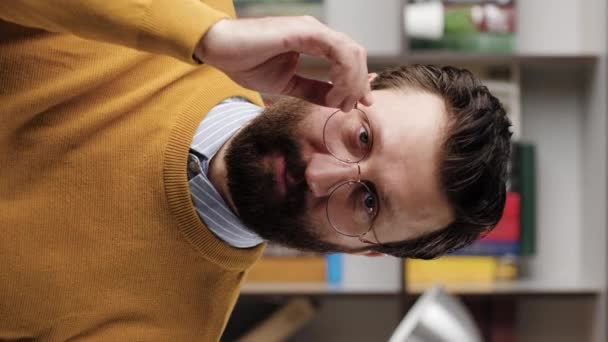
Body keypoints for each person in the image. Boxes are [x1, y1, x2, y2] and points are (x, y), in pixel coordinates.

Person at [0, 1, 511, 341]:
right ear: (360, 82)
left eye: (368, 202)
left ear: (366, 251)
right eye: (361, 137)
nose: (321, 175)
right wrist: (204, 37)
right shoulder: (192, 15)